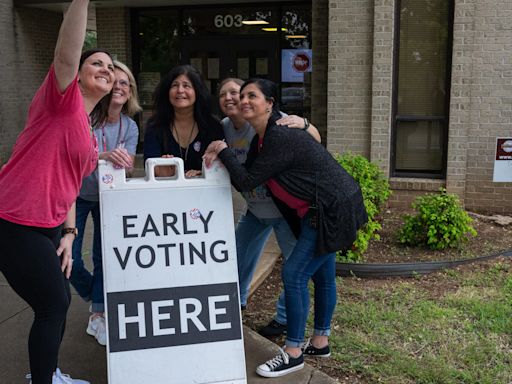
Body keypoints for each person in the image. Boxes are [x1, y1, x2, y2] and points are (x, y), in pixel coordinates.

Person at [204, 78, 367, 378]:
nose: (244, 100)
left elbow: (246, 181)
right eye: (242, 96)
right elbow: (248, 174)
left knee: (293, 274)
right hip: (321, 209)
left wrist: (223, 149)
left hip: (331, 210)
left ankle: (293, 352)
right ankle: (320, 341)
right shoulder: (262, 137)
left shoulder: (279, 135)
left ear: (270, 103)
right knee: (323, 274)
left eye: (252, 95)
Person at [0, 0, 114, 382]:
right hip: (14, 218)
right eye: (96, 62)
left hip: (48, 226)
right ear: (77, 75)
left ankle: (46, 374)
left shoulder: (86, 127)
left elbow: (70, 186)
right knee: (52, 304)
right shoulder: (60, 100)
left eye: (111, 67)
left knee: (59, 304)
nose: (106, 69)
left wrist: (68, 233)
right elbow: (66, 51)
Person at [217, 78, 321, 337]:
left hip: (282, 211)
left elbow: (314, 141)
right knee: (236, 258)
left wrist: (306, 124)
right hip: (254, 209)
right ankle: (234, 305)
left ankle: (285, 320)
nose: (232, 98)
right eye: (223, 95)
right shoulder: (224, 128)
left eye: (237, 93)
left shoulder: (275, 120)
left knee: (293, 269)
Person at [70, 60, 141, 346]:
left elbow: (127, 169)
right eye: (115, 81)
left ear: (130, 91)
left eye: (125, 83)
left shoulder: (130, 126)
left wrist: (123, 164)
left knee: (103, 256)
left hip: (107, 198)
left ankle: (98, 312)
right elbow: (74, 160)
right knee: (68, 259)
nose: (119, 86)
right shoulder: (84, 117)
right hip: (75, 194)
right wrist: (105, 156)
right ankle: (93, 294)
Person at [144, 64, 223, 178]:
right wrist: (158, 168)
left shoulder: (212, 125)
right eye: (175, 85)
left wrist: (204, 173)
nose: (180, 90)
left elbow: (220, 165)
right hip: (166, 191)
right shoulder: (155, 126)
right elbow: (149, 166)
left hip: (204, 191)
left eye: (186, 86)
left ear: (197, 91)